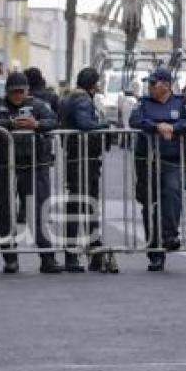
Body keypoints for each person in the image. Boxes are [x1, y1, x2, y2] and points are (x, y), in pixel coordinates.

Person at [0, 71, 63, 274]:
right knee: (6, 213)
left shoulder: (38, 105)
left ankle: (47, 257)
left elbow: (55, 121)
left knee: (39, 212)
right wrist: (9, 124)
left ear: (27, 91)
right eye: (14, 92)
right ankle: (10, 259)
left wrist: (36, 125)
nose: (18, 95)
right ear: (7, 91)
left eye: (21, 91)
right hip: (5, 167)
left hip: (35, 166)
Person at [129, 68, 186, 271]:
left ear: (166, 85)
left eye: (153, 83)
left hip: (171, 159)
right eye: (149, 83)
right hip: (146, 160)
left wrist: (175, 128)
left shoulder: (181, 102)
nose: (150, 87)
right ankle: (154, 253)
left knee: (171, 194)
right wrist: (157, 126)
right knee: (149, 204)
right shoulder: (143, 103)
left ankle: (169, 236)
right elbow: (134, 121)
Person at [59, 67, 111, 273]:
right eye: (97, 83)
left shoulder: (72, 97)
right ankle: (82, 253)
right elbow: (83, 124)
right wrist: (103, 127)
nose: (98, 87)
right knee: (84, 205)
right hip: (83, 158)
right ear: (91, 84)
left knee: (80, 204)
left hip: (79, 157)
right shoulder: (82, 99)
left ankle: (90, 251)